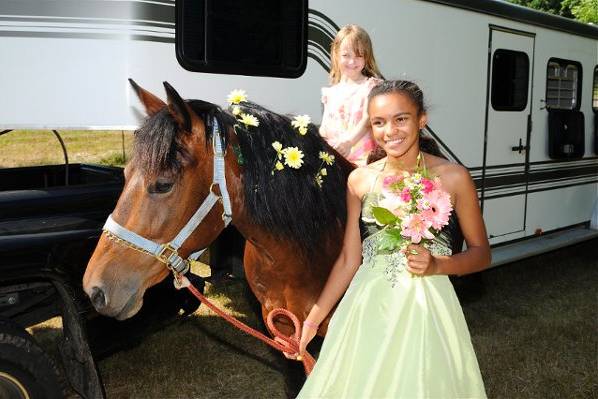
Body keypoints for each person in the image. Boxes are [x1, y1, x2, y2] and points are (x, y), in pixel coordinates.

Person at [296, 80, 490, 398]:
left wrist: (439, 265)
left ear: (421, 119)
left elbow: (482, 254)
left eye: (401, 119)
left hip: (426, 308)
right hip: (368, 306)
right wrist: (313, 320)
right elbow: (349, 259)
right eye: (379, 122)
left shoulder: (454, 177)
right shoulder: (359, 180)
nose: (391, 131)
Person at [320, 25, 383, 166]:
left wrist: (349, 143)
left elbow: (367, 120)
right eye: (346, 55)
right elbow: (324, 128)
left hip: (363, 161)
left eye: (359, 56)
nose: (352, 62)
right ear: (336, 54)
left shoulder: (371, 86)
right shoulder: (329, 93)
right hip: (334, 159)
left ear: (367, 57)